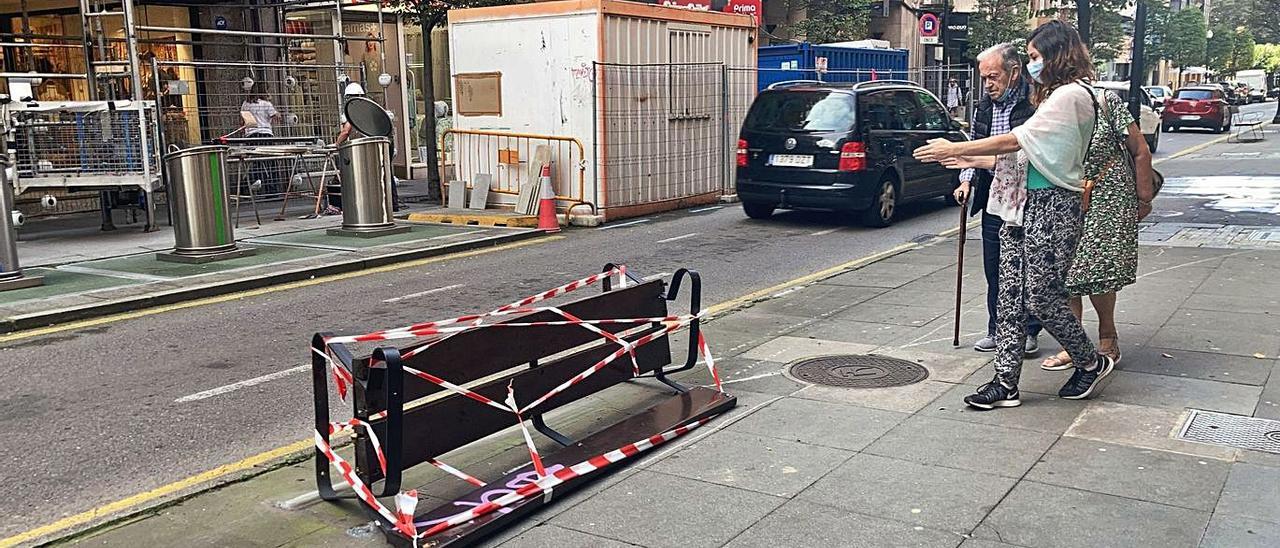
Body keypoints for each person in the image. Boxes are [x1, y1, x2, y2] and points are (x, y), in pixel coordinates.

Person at [914, 20, 1114, 410]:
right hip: (1019, 205)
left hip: (1053, 206)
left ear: (1057, 55)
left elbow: (1016, 140)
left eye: (1036, 57)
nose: (1033, 64)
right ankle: (1005, 381)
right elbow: (1017, 158)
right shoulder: (1054, 96)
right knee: (1008, 296)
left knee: (1040, 297)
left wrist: (958, 148)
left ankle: (1090, 360)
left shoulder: (1071, 96)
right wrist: (961, 158)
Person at [1039, 82, 1157, 371]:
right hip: (1066, 193)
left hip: (1108, 197)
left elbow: (1139, 149)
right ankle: (1074, 344)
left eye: (1036, 57)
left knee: (1097, 269)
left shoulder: (1106, 101)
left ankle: (1107, 336)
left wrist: (1143, 199)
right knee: (1066, 271)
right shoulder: (1047, 102)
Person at [954, 43, 1042, 357]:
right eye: (984, 78)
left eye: (993, 76)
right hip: (994, 195)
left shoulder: (1034, 103)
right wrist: (966, 181)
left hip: (1027, 195)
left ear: (1014, 72)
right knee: (995, 266)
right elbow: (975, 147)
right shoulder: (984, 107)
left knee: (1025, 267)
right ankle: (997, 328)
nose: (988, 84)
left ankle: (1028, 330)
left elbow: (1028, 154)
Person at [241, 83, 280, 194]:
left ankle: (252, 183)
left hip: (251, 135)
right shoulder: (266, 104)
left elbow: (243, 120)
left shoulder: (246, 104)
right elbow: (277, 117)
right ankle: (271, 189)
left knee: (256, 161)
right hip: (265, 133)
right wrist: (275, 110)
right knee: (270, 161)